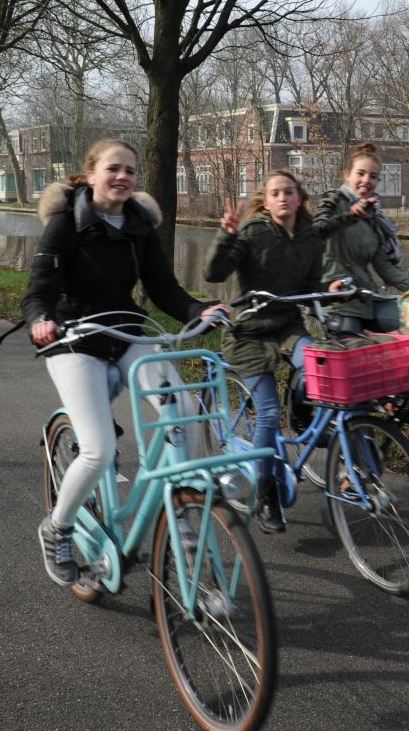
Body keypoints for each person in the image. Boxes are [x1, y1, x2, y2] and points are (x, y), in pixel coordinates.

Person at [24, 138, 227, 587]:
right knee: (98, 450)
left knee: (187, 411)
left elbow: (163, 289)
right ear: (92, 173)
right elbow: (38, 291)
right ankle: (57, 529)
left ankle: (181, 508)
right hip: (74, 338)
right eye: (113, 168)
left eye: (130, 171)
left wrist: (198, 311)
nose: (122, 177)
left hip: (126, 333)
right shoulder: (65, 224)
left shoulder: (139, 226)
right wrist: (41, 319)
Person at [203, 170, 326, 533]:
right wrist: (225, 235)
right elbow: (213, 272)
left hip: (287, 327)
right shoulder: (253, 231)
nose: (283, 197)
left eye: (289, 191)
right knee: (269, 414)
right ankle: (265, 492)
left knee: (318, 369)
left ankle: (302, 419)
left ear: (300, 197)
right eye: (276, 192)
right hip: (250, 333)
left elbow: (311, 284)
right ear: (266, 200)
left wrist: (329, 287)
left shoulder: (310, 238)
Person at [314, 142, 409, 332]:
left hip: (368, 298)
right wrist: (350, 216)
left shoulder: (372, 218)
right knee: (351, 350)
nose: (366, 180)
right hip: (340, 299)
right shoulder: (333, 200)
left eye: (373, 176)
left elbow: (384, 267)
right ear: (347, 175)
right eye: (360, 173)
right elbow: (317, 230)